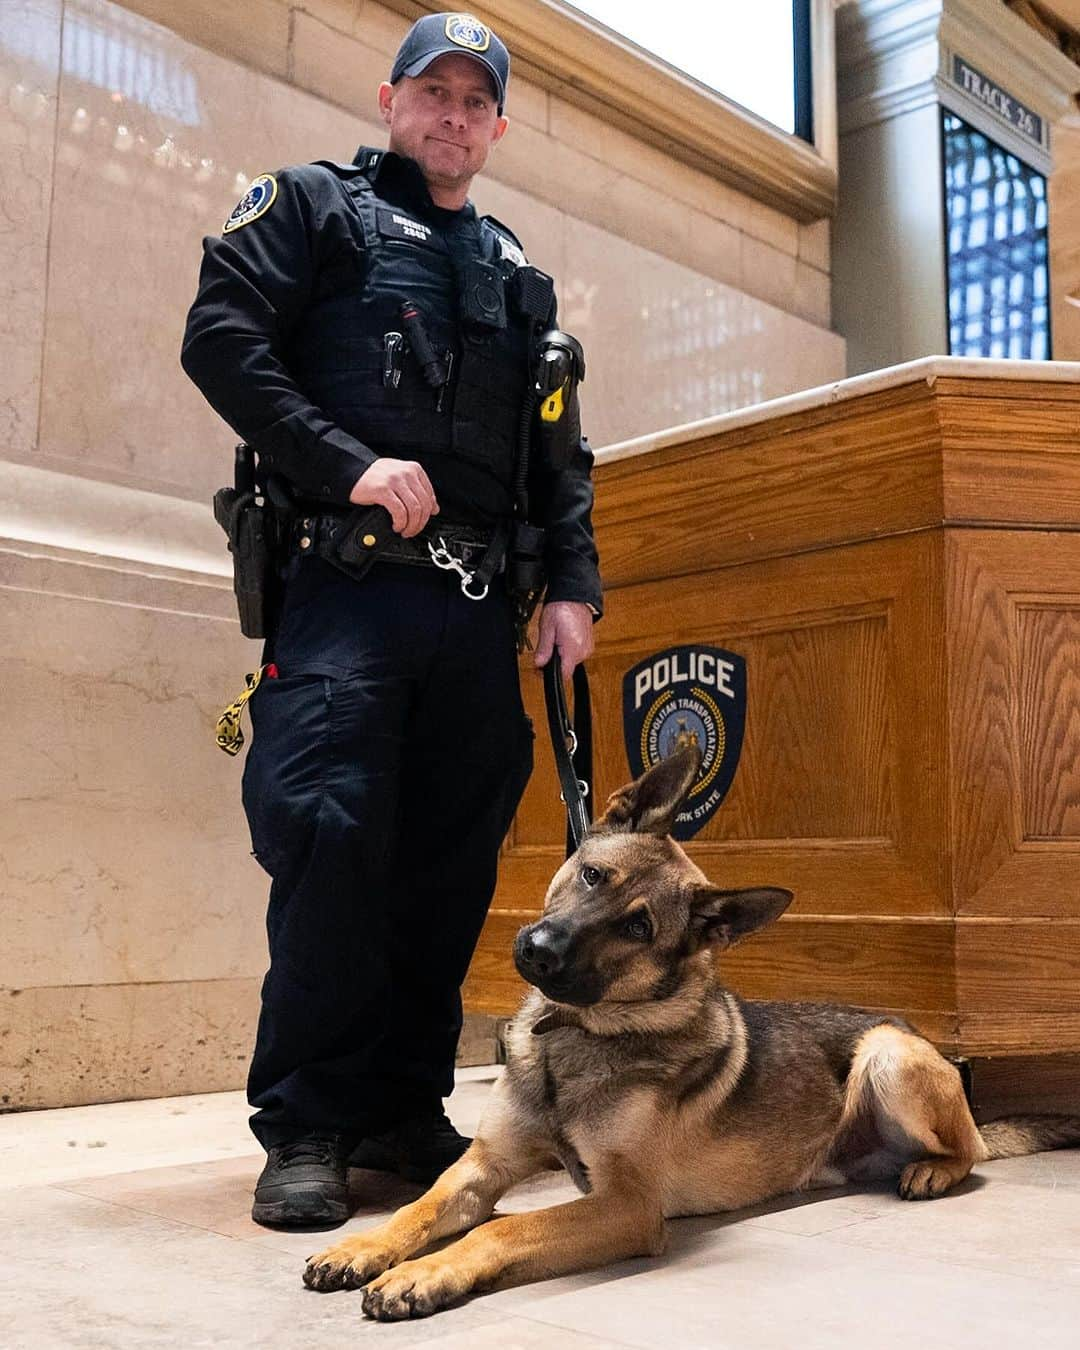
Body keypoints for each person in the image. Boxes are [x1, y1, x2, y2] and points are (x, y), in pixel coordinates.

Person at [181, 11, 602, 1228]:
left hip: (474, 618)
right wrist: (350, 460)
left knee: (446, 864)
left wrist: (571, 581)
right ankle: (307, 1122)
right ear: (389, 100)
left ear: (499, 127)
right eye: (435, 94)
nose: (454, 116)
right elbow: (221, 342)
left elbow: (557, 448)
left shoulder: (519, 271)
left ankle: (402, 1107)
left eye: (478, 102)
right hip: (347, 594)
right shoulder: (310, 208)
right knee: (329, 836)